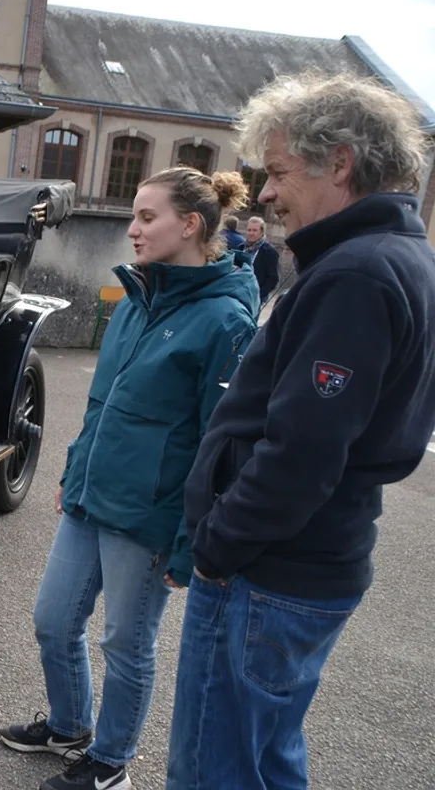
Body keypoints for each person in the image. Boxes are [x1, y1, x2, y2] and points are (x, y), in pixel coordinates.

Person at [167, 71, 435, 790]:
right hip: (307, 564)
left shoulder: (357, 275)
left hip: (270, 571)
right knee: (263, 757)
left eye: (279, 172)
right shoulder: (392, 258)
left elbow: (302, 454)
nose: (264, 195)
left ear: (339, 162)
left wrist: (218, 545)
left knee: (214, 770)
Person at [0, 167, 260, 790]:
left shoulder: (226, 322)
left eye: (147, 217)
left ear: (191, 225)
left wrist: (190, 540)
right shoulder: (136, 302)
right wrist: (72, 471)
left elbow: (219, 446)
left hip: (150, 516)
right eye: (133, 216)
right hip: (94, 495)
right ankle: (69, 726)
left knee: (126, 644)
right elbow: (101, 405)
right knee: (53, 620)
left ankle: (111, 759)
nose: (132, 230)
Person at [245, 215, 281, 307]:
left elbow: (273, 278)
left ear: (262, 232)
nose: (251, 233)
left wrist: (258, 295)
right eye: (249, 230)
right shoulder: (241, 248)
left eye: (254, 230)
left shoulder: (270, 252)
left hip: (255, 299)